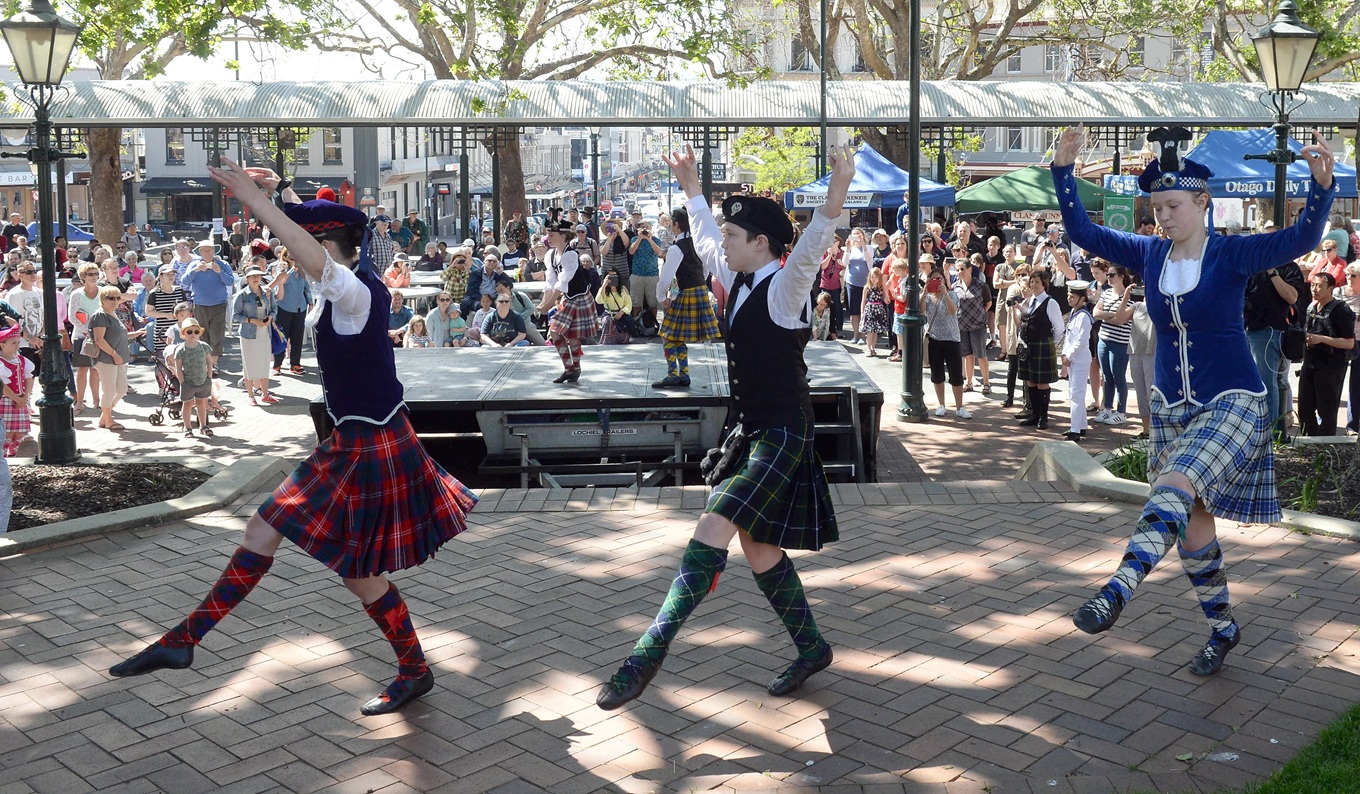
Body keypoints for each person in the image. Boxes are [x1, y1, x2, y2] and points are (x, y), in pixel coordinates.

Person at [110, 158, 479, 717]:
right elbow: (309, 251)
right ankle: (187, 640)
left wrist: (259, 206)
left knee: (308, 547)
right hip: (359, 441)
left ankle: (187, 640)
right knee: (338, 564)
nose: (299, 252)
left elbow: (311, 257)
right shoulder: (350, 289)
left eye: (311, 241)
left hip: (368, 443)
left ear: (331, 244)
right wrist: (277, 195)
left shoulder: (355, 293)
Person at [1055, 123, 1336, 677]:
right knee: (1193, 527)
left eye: (1175, 206)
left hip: (1233, 399)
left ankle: (1116, 590)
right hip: (1170, 407)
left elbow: (1300, 240)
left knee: (1174, 488)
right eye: (1158, 207)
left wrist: (1321, 191)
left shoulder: (1231, 255)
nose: (1164, 217)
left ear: (1202, 203)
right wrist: (1064, 174)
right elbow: (1082, 230)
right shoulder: (1150, 255)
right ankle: (1223, 628)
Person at [596, 144, 854, 711]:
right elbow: (709, 235)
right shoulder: (735, 277)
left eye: (738, 237)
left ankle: (646, 654)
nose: (723, 245)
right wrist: (690, 184)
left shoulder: (786, 289)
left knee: (713, 527)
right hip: (753, 431)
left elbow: (813, 244)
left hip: (783, 433)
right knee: (759, 549)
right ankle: (812, 647)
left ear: (761, 244)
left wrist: (837, 189)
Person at [652, 206, 720, 388]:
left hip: (687, 292)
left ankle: (674, 374)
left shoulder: (676, 249)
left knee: (667, 334)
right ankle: (683, 374)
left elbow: (666, 276)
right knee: (676, 335)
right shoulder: (697, 244)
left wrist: (661, 296)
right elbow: (706, 269)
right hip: (700, 291)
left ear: (676, 225)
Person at [1298, 271, 1356, 436]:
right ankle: (1307, 441)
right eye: (1313, 285)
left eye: (1319, 286)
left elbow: (1349, 342)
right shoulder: (1311, 307)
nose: (1314, 289)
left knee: (1327, 409)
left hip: (1331, 367)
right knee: (1305, 406)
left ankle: (1325, 445)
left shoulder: (1341, 310)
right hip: (1309, 364)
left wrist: (1321, 339)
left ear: (1330, 288)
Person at [539, 220, 595, 383]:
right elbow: (551, 282)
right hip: (568, 297)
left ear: (563, 236)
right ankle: (570, 369)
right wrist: (544, 302)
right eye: (548, 234)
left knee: (570, 337)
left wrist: (548, 305)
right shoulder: (550, 255)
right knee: (557, 333)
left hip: (579, 297)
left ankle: (573, 369)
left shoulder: (570, 254)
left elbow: (563, 282)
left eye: (552, 235)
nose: (548, 238)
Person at [1015, 270, 1064, 430]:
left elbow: (1059, 329)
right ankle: (1034, 414)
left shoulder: (1051, 303)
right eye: (1032, 282)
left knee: (1042, 383)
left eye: (1037, 282)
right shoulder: (1028, 301)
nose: (1034, 285)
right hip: (1028, 347)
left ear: (1044, 284)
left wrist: (1050, 344)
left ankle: (1043, 417)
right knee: (1031, 380)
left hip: (1042, 346)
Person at [180, 240, 235, 374]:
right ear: (199, 252)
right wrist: (196, 270)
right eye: (204, 250)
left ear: (214, 250)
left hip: (219, 304)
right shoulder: (194, 264)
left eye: (209, 250)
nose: (207, 252)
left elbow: (230, 281)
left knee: (217, 334)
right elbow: (184, 281)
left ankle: (214, 365)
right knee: (202, 334)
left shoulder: (222, 264)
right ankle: (205, 365)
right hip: (200, 304)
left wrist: (220, 272)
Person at [1093, 266, 1136, 426]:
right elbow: (1096, 314)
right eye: (1108, 275)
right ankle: (1107, 408)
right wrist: (1113, 315)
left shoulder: (1131, 297)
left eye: (1112, 275)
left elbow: (1121, 320)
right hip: (1104, 339)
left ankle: (1122, 411)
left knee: (1119, 376)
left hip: (1120, 342)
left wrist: (1108, 316)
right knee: (1106, 375)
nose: (1109, 277)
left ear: (1121, 277)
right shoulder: (1106, 293)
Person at [922, 267, 967, 419]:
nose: (937, 282)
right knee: (937, 374)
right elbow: (922, 312)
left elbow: (953, 311)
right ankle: (941, 404)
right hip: (935, 339)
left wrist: (945, 294)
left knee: (956, 374)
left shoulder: (952, 294)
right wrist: (923, 294)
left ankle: (960, 407)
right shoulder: (928, 297)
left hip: (952, 339)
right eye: (934, 279)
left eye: (940, 279)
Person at [232, 265, 278, 405]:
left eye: (258, 276)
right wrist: (252, 321)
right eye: (253, 276)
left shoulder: (267, 292)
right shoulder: (242, 295)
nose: (256, 278)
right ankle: (251, 395)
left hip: (265, 332)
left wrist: (270, 318)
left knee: (264, 362)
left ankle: (265, 393)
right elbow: (235, 316)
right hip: (248, 333)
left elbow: (274, 309)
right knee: (249, 363)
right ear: (247, 278)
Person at [88, 285, 131, 431]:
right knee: (109, 390)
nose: (115, 301)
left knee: (122, 389)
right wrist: (114, 354)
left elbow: (118, 336)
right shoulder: (100, 315)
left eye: (118, 298)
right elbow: (99, 340)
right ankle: (108, 420)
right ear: (103, 299)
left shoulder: (113, 314)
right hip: (106, 358)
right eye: (111, 298)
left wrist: (136, 333)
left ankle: (104, 416)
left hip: (119, 358)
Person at [65, 263, 103, 413]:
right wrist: (87, 331)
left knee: (96, 370)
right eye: (90, 274)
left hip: (99, 336)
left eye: (95, 274)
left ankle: (97, 401)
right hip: (81, 336)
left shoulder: (103, 292)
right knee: (82, 370)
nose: (94, 277)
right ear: (83, 277)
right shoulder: (77, 294)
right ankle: (79, 402)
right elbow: (72, 317)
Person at [1060, 281, 1094, 442]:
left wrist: (1069, 356)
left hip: (1079, 359)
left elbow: (1081, 341)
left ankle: (1075, 430)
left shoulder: (1083, 316)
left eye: (1072, 296)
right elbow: (1069, 337)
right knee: (1074, 392)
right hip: (1074, 359)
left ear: (1082, 298)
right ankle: (1081, 425)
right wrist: (1065, 355)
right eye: (1068, 295)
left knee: (1077, 394)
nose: (1069, 298)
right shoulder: (1075, 313)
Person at [169, 318, 215, 438]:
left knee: (201, 403)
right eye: (189, 332)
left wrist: (209, 377)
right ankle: (187, 427)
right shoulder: (180, 350)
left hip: (203, 380)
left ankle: (203, 426)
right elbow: (178, 368)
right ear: (183, 333)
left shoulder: (204, 347)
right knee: (187, 404)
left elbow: (209, 362)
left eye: (196, 331)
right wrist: (182, 382)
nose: (193, 334)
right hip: (188, 382)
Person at [270, 247, 312, 375]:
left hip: (300, 307)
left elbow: (307, 286)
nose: (294, 256)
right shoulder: (281, 267)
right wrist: (291, 269)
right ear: (285, 255)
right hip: (284, 307)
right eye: (290, 254)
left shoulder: (301, 269)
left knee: (297, 337)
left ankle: (295, 364)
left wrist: (310, 302)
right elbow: (279, 281)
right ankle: (277, 365)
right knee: (282, 336)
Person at [956, 257, 992, 395]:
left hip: (978, 325)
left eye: (962, 269)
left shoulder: (980, 285)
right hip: (962, 326)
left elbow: (988, 303)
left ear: (970, 269)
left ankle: (986, 383)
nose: (960, 272)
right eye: (958, 269)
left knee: (981, 355)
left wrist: (980, 314)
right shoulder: (956, 286)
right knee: (967, 355)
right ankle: (968, 382)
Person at [0, 324, 32, 457]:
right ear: (2, 345)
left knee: (20, 431)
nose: (17, 345)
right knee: (7, 431)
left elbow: (29, 377)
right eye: (13, 343)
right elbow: (3, 386)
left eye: (18, 342)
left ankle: (12, 453)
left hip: (21, 398)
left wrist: (25, 397)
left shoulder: (21, 360)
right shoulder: (1, 363)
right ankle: (4, 456)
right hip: (6, 400)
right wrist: (17, 399)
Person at [844, 229, 870, 345]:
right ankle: (855, 335)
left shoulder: (869, 248)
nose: (856, 236)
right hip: (852, 282)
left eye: (858, 234)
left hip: (865, 283)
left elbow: (868, 259)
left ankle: (863, 336)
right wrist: (848, 248)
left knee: (864, 309)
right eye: (854, 234)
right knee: (854, 311)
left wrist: (863, 245)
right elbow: (845, 262)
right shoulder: (849, 249)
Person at [859, 265, 890, 357]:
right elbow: (863, 300)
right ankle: (868, 348)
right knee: (869, 331)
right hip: (869, 309)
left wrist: (886, 299)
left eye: (876, 277)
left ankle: (873, 347)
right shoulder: (867, 288)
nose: (874, 279)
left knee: (875, 331)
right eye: (872, 277)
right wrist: (862, 312)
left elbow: (884, 298)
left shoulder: (880, 288)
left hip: (878, 309)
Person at [595, 274, 634, 345]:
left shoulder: (623, 289)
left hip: (621, 315)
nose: (612, 279)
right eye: (610, 277)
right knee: (607, 321)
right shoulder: (604, 289)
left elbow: (629, 304)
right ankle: (607, 341)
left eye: (614, 277)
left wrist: (621, 312)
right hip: (608, 313)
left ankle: (618, 338)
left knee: (622, 335)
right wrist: (604, 285)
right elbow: (599, 300)